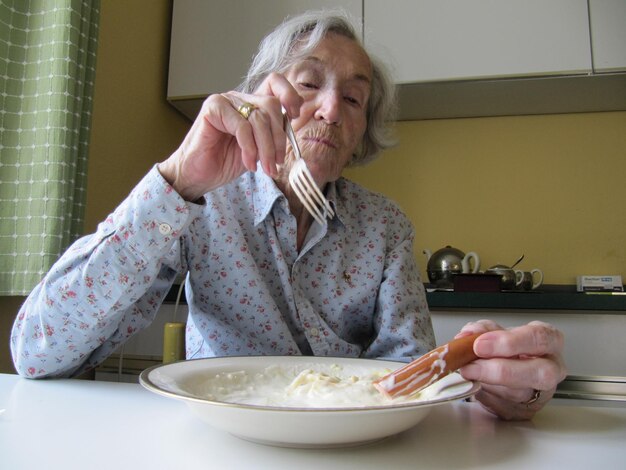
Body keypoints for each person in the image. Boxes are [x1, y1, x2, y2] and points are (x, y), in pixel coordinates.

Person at [10, 10, 565, 420]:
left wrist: (485, 383)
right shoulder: (202, 205)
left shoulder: (385, 225)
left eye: (353, 99)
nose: (330, 108)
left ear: (361, 134)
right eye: (307, 83)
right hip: (224, 441)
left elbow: (409, 379)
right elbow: (38, 353)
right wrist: (179, 180)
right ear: (263, 96)